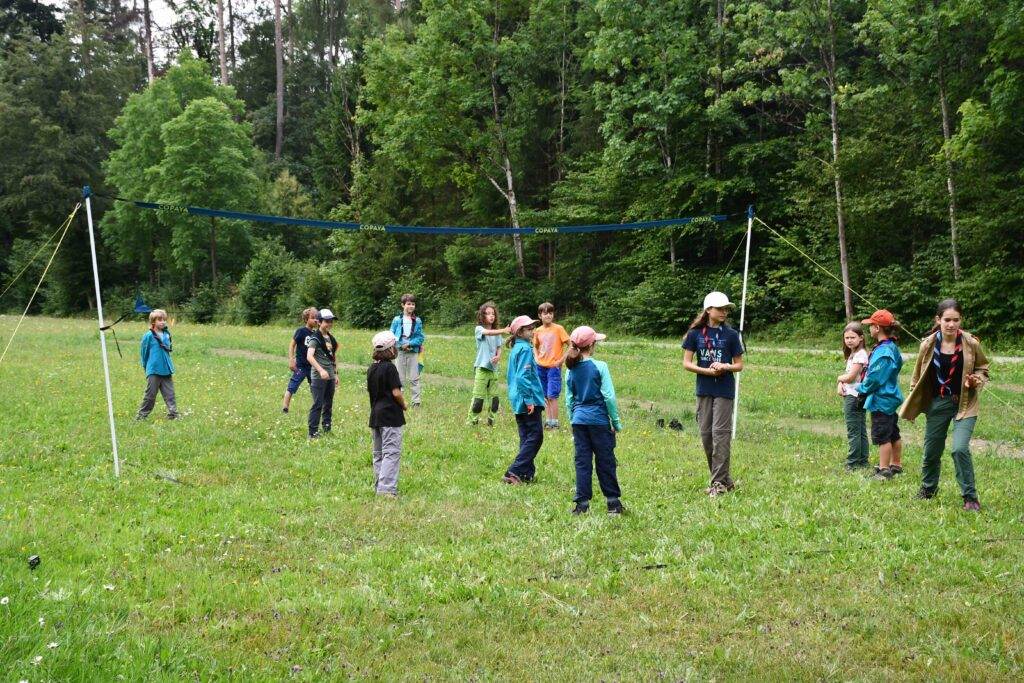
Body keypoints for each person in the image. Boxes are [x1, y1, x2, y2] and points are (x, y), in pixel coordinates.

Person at [901, 299, 990, 511]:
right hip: (938, 403)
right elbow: (917, 377)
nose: (951, 324)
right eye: (947, 320)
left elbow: (983, 368)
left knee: (959, 449)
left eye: (956, 320)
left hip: (965, 403)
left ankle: (970, 497)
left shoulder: (971, 343)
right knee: (932, 450)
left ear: (961, 320)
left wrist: (976, 379)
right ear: (938, 319)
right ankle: (928, 489)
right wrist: (914, 406)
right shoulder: (927, 344)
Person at [682, 291, 744, 497]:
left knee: (721, 435)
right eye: (720, 309)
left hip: (724, 390)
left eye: (726, 309)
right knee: (707, 436)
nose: (724, 312)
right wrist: (706, 371)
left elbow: (739, 365)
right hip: (704, 389)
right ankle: (725, 480)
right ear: (708, 310)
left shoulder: (731, 335)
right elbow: (687, 363)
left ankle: (717, 484)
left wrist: (725, 366)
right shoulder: (695, 334)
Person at [565, 326, 624, 515]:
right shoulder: (601, 366)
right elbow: (609, 397)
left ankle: (582, 505)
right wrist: (615, 422)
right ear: (591, 345)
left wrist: (573, 420)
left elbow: (569, 400)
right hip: (599, 421)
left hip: (579, 421)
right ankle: (613, 503)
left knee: (582, 462)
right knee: (605, 460)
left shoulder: (570, 369)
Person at [853, 309, 904, 480]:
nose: (869, 329)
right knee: (893, 432)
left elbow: (875, 378)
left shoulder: (883, 352)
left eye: (870, 326)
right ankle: (896, 464)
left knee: (883, 436)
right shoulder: (892, 346)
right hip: (890, 396)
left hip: (882, 399)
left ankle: (884, 470)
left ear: (877, 328)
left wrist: (861, 389)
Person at [502, 315, 546, 484]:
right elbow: (522, 376)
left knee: (526, 436)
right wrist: (529, 400)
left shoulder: (516, 348)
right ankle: (514, 471)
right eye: (529, 329)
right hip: (528, 399)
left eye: (533, 328)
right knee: (536, 436)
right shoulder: (526, 349)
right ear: (519, 332)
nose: (532, 331)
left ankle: (525, 474)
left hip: (517, 398)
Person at [367, 330, 408, 497]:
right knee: (391, 452)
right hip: (390, 416)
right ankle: (387, 489)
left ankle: (379, 485)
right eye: (394, 346)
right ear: (390, 349)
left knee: (378, 454)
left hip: (375, 416)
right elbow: (396, 392)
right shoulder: (390, 368)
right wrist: (404, 405)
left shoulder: (371, 368)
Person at [467, 301, 508, 426]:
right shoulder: (479, 329)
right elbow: (488, 333)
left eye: (493, 314)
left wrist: (498, 356)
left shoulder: (497, 333)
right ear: (482, 316)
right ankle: (472, 421)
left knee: (494, 400)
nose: (491, 316)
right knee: (478, 399)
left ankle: (491, 421)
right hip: (482, 369)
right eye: (488, 313)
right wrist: (503, 330)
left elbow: (499, 347)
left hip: (493, 370)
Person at [837, 322, 870, 470]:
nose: (849, 340)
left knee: (854, 430)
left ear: (861, 338)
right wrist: (840, 383)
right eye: (847, 338)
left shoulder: (860, 355)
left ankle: (853, 462)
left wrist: (839, 379)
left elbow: (850, 377)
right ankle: (862, 460)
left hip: (854, 396)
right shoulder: (854, 354)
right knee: (860, 429)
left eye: (853, 337)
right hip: (856, 394)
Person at [533, 302, 570, 429]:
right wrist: (536, 358)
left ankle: (555, 422)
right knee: (544, 395)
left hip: (554, 367)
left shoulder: (559, 329)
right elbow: (535, 346)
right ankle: (548, 421)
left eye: (550, 313)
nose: (548, 315)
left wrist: (561, 360)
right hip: (540, 367)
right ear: (540, 316)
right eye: (545, 313)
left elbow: (570, 345)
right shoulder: (538, 331)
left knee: (552, 395)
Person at [136, 309, 178, 420]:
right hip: (154, 369)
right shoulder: (148, 336)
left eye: (164, 319)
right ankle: (142, 415)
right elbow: (144, 353)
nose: (163, 322)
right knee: (150, 395)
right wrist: (146, 367)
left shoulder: (167, 334)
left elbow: (167, 350)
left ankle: (173, 414)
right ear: (153, 322)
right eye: (160, 320)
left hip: (166, 368)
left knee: (170, 394)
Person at [305, 309, 339, 439]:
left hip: (330, 376)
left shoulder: (331, 338)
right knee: (318, 404)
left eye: (331, 321)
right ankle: (312, 432)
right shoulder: (315, 338)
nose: (329, 323)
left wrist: (335, 374)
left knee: (328, 404)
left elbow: (333, 357)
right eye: (326, 321)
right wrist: (321, 370)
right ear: (319, 322)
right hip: (318, 377)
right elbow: (309, 356)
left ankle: (327, 428)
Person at [282, 307, 319, 413]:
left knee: (315, 388)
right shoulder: (301, 331)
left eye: (317, 318)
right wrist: (291, 360)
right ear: (306, 319)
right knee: (292, 386)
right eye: (313, 318)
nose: (315, 320)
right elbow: (292, 345)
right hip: (301, 367)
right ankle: (285, 407)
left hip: (312, 367)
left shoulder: (316, 334)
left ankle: (317, 407)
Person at [390, 294, 424, 407]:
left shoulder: (417, 320)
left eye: (413, 304)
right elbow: (391, 335)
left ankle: (416, 402)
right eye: (408, 304)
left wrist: (410, 343)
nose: (411, 306)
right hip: (400, 352)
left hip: (413, 352)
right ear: (403, 305)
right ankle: (399, 401)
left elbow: (420, 337)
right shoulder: (397, 320)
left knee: (414, 377)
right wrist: (401, 345)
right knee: (399, 378)